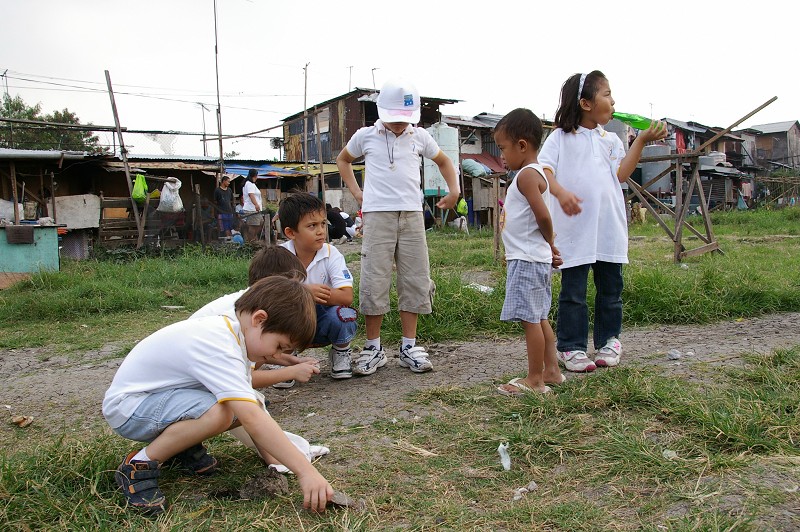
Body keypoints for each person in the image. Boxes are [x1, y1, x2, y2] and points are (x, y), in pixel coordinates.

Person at [103, 276, 333, 515]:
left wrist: (274, 457)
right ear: (259, 319)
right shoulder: (218, 343)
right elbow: (253, 417)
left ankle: (181, 448)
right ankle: (138, 465)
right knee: (221, 412)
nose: (276, 356)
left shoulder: (232, 335)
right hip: (130, 408)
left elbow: (251, 408)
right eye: (278, 347)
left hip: (157, 400)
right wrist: (305, 471)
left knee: (235, 407)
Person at [539, 70, 667, 372]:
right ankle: (571, 347)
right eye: (607, 94)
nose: (613, 101)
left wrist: (643, 141)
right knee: (574, 293)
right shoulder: (560, 138)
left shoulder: (610, 140)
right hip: (575, 232)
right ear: (585, 103)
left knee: (611, 290)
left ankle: (610, 340)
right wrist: (560, 193)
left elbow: (620, 174)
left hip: (608, 228)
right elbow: (544, 170)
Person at [336, 77, 459, 375]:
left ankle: (408, 346)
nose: (399, 125)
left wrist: (454, 190)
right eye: (394, 120)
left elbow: (444, 161)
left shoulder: (420, 137)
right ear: (381, 112)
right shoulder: (366, 136)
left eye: (404, 120)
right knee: (375, 278)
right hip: (378, 216)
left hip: (412, 215)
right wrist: (356, 193)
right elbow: (343, 160)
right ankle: (374, 347)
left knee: (415, 276)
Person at [493, 109, 565, 396]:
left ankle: (534, 379)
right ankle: (552, 371)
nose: (501, 156)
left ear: (522, 145)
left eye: (502, 148)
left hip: (527, 260)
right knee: (540, 317)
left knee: (530, 320)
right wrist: (547, 247)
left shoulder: (525, 176)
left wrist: (549, 241)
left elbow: (543, 216)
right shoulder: (535, 174)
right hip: (533, 258)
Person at [190, 245, 320, 389]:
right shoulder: (239, 316)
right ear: (270, 284)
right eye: (290, 285)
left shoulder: (248, 306)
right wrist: (291, 372)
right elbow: (241, 378)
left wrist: (293, 361)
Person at [279, 192, 358, 379]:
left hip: (322, 318)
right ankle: (286, 357)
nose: (321, 231)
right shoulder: (280, 256)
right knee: (276, 313)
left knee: (343, 314)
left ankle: (341, 352)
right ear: (291, 232)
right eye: (312, 226)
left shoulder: (331, 253)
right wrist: (303, 292)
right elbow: (267, 297)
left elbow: (346, 296)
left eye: (323, 223)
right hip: (294, 319)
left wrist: (303, 294)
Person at [242, 168, 264, 243]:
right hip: (251, 209)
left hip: (255, 209)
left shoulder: (252, 184)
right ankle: (251, 242)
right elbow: (251, 195)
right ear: (254, 176)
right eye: (256, 176)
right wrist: (256, 204)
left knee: (260, 223)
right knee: (253, 226)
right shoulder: (249, 184)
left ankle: (253, 239)